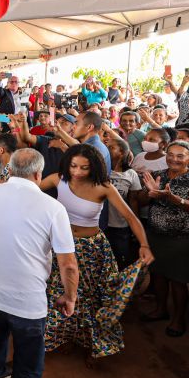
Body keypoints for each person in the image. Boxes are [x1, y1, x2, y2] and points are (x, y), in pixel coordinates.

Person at [0, 149, 78, 378]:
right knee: (30, 362)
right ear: (38, 173)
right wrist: (70, 297)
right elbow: (68, 264)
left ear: (9, 169)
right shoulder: (53, 207)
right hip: (26, 299)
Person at [39, 144, 154, 365]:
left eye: (84, 167)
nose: (77, 172)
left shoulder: (104, 187)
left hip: (92, 249)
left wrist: (144, 245)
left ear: (94, 167)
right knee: (57, 292)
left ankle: (93, 344)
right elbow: (31, 189)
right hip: (62, 247)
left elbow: (131, 218)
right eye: (73, 166)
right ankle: (61, 337)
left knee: (90, 299)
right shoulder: (57, 179)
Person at [139, 141, 189, 337]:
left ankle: (178, 318)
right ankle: (161, 309)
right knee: (157, 275)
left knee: (177, 280)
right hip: (157, 236)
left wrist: (172, 198)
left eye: (180, 156)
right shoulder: (160, 175)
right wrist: (149, 193)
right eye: (170, 154)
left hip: (183, 240)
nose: (174, 158)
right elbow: (141, 200)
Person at [105, 138, 142, 269]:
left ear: (121, 152)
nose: (106, 149)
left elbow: (133, 201)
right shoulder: (102, 171)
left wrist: (134, 226)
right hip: (101, 225)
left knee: (120, 260)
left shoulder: (131, 174)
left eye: (110, 147)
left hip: (120, 226)